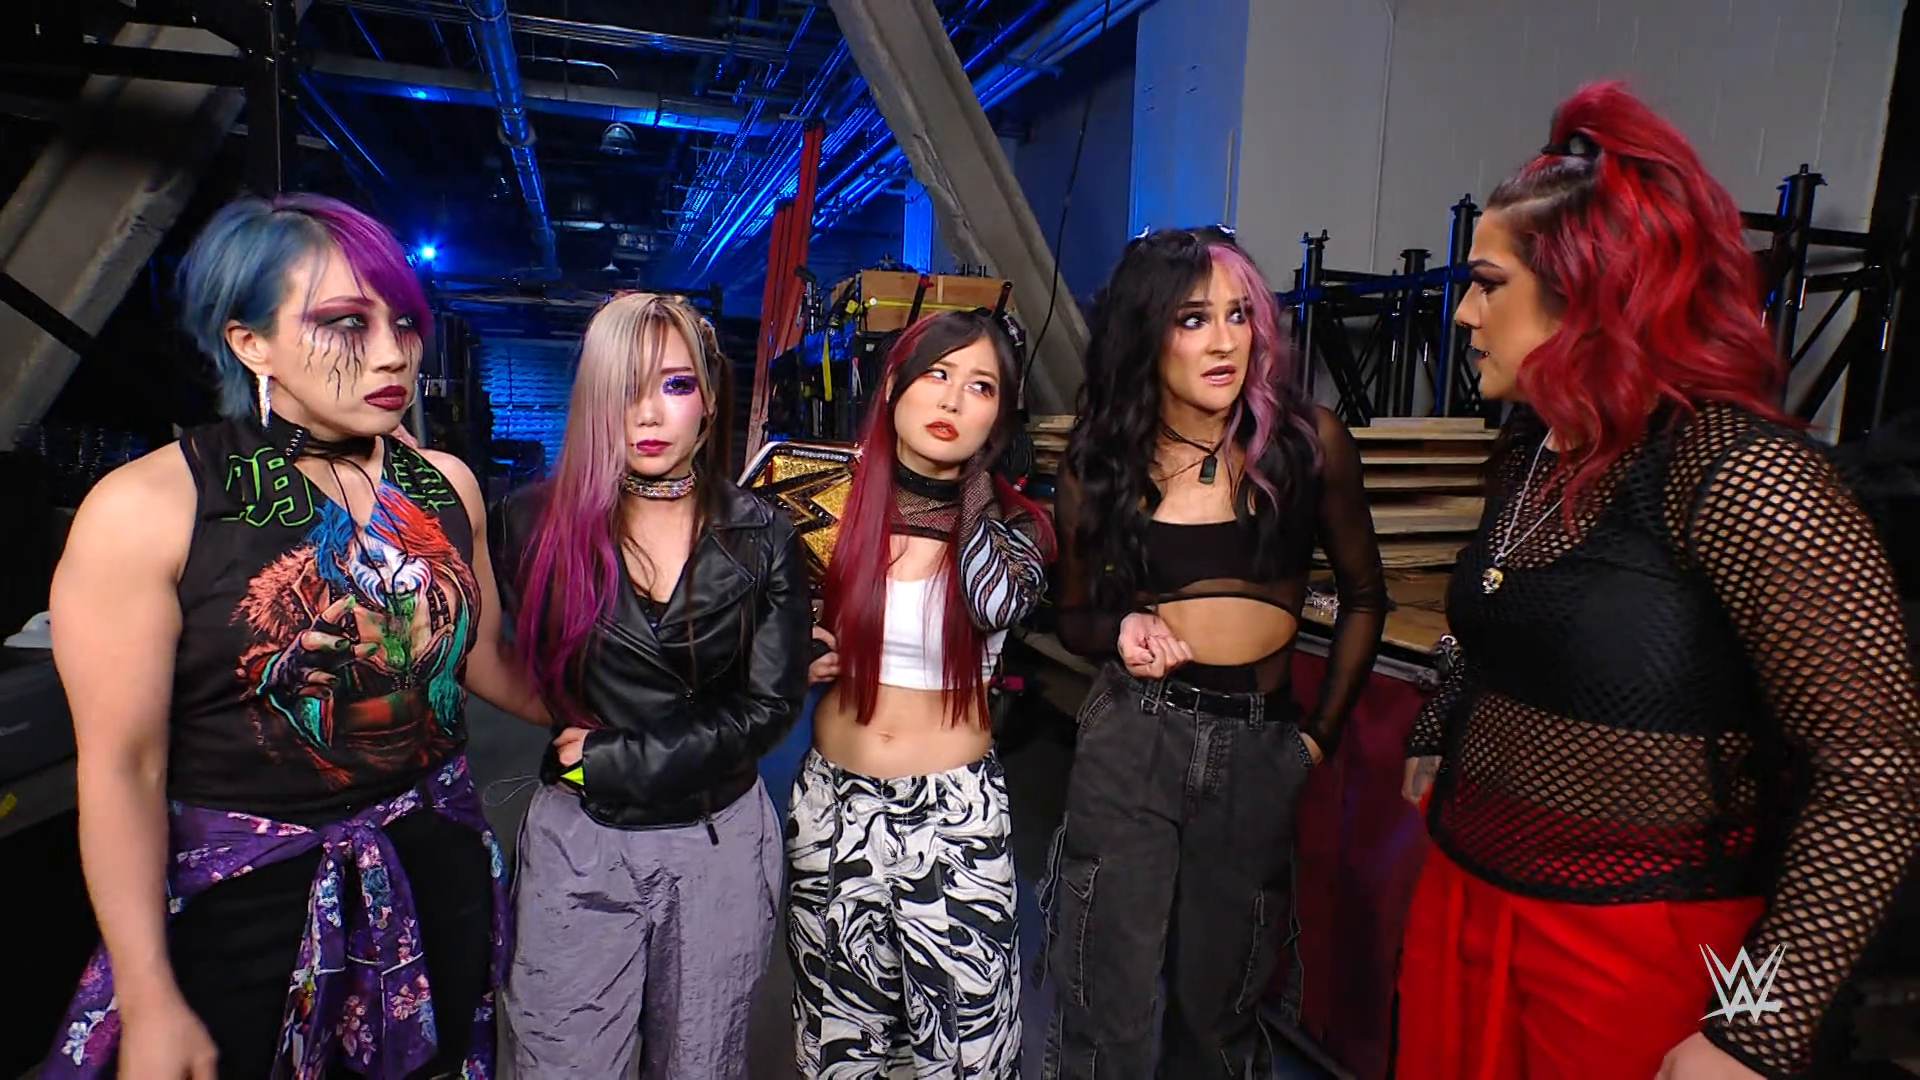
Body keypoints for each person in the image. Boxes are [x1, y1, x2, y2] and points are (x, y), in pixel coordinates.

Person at [1395, 82, 1920, 1080]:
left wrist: (1755, 1028)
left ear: (1589, 293)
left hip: (1642, 949)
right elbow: (1509, 617)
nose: (1462, 312)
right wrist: (1444, 713)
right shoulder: (1534, 450)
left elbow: (1875, 775)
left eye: (1488, 284)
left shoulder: (1744, 474)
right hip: (1467, 903)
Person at [44, 193, 545, 1080]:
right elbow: (124, 770)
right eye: (345, 323)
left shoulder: (444, 484)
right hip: (251, 906)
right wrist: (149, 996)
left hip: (433, 872)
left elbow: (487, 659)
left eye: (404, 322)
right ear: (251, 343)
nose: (392, 353)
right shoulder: (149, 509)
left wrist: (621, 710)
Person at [1042, 226, 1387, 1078]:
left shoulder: (1306, 445)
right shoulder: (1100, 463)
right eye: (1194, 318)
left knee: (1220, 1010)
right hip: (1135, 738)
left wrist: (1316, 741)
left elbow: (1364, 596)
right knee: (1106, 1003)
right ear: (1146, 330)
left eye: (1240, 314)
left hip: (1258, 744)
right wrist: (1120, 630)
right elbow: (1075, 618)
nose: (1226, 340)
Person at [492, 291, 810, 1079]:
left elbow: (769, 708)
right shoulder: (528, 524)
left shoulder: (764, 534)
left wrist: (611, 758)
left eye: (675, 384)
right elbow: (486, 654)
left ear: (709, 399)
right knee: (561, 1064)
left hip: (717, 838)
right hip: (582, 839)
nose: (649, 412)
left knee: (701, 1064)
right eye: (625, 386)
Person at [789, 309, 1055, 1078]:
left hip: (954, 820)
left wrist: (974, 482)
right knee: (840, 1047)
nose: (952, 400)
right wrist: (788, 656)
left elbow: (994, 601)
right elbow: (748, 626)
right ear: (893, 387)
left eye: (981, 388)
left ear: (1001, 418)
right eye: (936, 374)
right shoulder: (826, 508)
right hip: (835, 807)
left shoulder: (1021, 528)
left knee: (966, 1052)